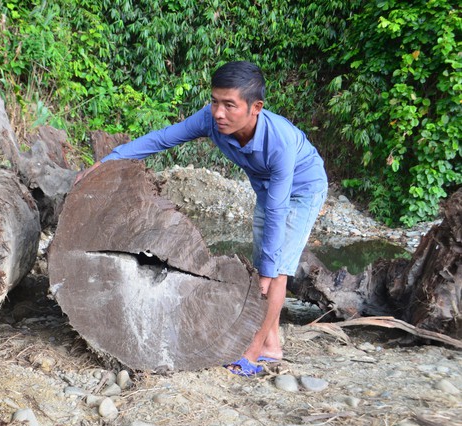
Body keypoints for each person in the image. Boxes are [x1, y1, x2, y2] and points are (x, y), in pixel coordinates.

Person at [75, 61, 328, 376]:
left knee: (274, 271)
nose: (219, 112)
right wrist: (107, 162)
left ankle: (253, 350)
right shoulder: (210, 119)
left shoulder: (281, 142)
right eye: (215, 101)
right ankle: (272, 342)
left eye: (229, 105)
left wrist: (268, 268)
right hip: (266, 189)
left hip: (301, 190)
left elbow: (278, 210)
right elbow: (162, 139)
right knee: (265, 260)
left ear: (256, 108)